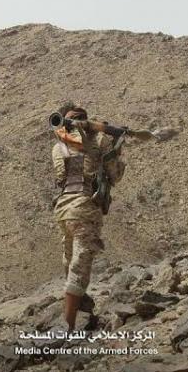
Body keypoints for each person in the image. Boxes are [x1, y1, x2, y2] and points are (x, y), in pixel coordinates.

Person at [51, 102, 126, 331]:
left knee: (69, 258)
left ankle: (79, 309)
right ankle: (68, 327)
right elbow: (115, 175)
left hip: (63, 208)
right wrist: (115, 147)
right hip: (84, 207)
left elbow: (65, 174)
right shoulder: (98, 141)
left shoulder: (59, 147)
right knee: (80, 265)